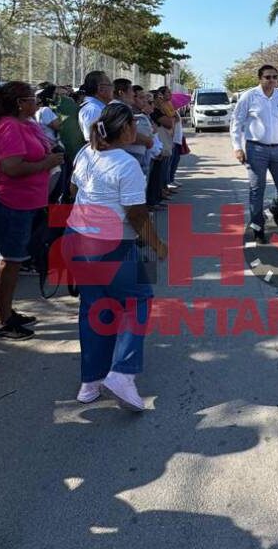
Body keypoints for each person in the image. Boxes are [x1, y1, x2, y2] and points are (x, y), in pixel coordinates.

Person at [67, 103, 168, 411]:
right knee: (138, 299)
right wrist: (159, 246)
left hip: (76, 238)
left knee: (95, 307)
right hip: (109, 244)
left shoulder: (86, 152)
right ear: (124, 130)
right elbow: (137, 216)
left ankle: (91, 381)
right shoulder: (126, 165)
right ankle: (122, 373)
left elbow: (73, 191)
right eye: (134, 127)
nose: (137, 132)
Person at [0, 82, 63, 340]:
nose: (36, 102)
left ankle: (7, 312)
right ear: (19, 102)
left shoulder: (23, 124)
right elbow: (12, 167)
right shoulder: (9, 127)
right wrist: (47, 163)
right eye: (31, 98)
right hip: (12, 203)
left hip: (25, 202)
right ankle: (3, 320)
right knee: (10, 261)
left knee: (15, 260)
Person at [231, 64, 278, 244]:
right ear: (260, 79)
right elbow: (236, 122)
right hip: (255, 149)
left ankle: (275, 209)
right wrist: (237, 147)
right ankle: (258, 227)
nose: (272, 80)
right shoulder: (249, 97)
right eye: (268, 77)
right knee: (256, 189)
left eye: (275, 77)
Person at [77, 71, 113, 141]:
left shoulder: (97, 108)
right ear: (101, 89)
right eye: (110, 85)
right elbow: (95, 140)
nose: (113, 89)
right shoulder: (93, 110)